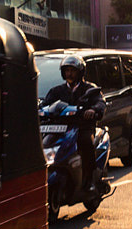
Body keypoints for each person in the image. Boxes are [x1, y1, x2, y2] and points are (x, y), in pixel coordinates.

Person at [41, 54, 104, 191]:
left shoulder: (89, 89)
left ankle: (89, 180)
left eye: (72, 70)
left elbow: (100, 103)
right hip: (60, 128)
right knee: (42, 143)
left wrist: (93, 110)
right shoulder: (56, 91)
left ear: (80, 72)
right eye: (67, 70)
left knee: (86, 142)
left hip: (82, 127)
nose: (69, 73)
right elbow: (45, 104)